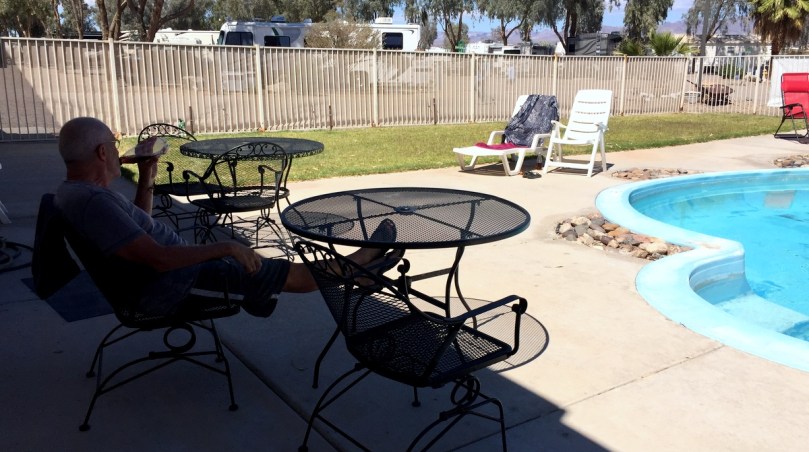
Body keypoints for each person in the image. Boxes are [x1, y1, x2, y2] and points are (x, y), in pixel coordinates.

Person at [54, 117, 396, 317]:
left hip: (167, 275)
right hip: (171, 286)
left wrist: (147, 177)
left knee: (262, 268)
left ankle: (356, 274)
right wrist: (226, 247)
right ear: (102, 152)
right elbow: (157, 259)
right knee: (282, 273)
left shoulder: (79, 193)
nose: (118, 150)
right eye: (113, 145)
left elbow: (139, 228)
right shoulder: (93, 202)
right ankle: (360, 264)